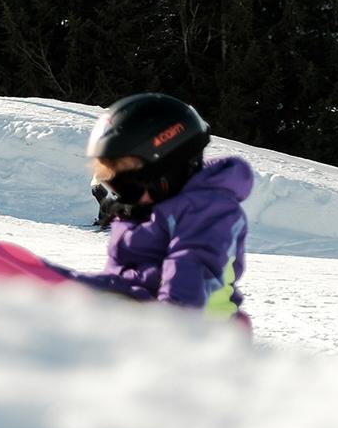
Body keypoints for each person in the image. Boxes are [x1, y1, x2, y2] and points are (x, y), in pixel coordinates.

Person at [67, 93, 251, 322]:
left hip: (204, 337)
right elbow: (122, 282)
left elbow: (189, 276)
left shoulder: (208, 211)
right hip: (147, 327)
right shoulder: (142, 211)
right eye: (114, 183)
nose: (122, 195)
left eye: (128, 182)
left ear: (167, 170)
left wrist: (161, 330)